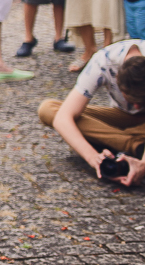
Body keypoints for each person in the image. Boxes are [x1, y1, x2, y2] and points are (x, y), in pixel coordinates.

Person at [38, 39, 145, 187]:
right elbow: (62, 118)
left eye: (141, 101)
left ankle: (122, 143)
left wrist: (143, 165)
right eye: (132, 100)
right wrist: (94, 158)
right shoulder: (103, 61)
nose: (137, 106)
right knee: (48, 109)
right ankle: (136, 145)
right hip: (123, 117)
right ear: (118, 80)